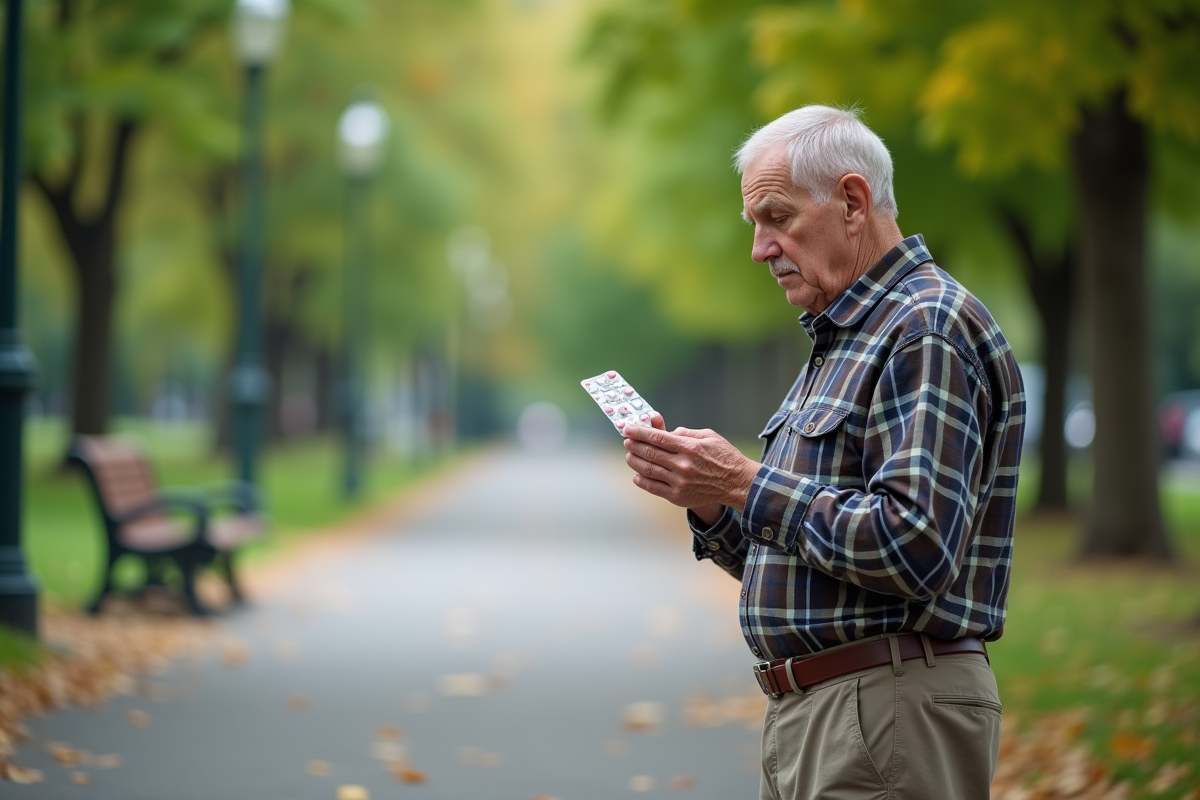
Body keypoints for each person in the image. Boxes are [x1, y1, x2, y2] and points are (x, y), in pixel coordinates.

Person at [621, 105, 1026, 800]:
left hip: (886, 709)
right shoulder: (845, 337)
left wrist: (748, 484)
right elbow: (810, 560)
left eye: (776, 218)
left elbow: (915, 546)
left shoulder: (924, 326)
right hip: (827, 714)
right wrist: (715, 505)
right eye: (755, 225)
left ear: (852, 202)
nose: (760, 248)